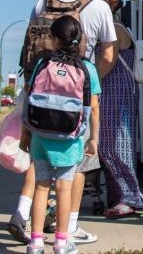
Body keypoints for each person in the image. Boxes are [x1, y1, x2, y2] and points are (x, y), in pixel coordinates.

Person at [8, 0, 116, 245]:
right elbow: (107, 55)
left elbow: (28, 44)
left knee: (40, 171)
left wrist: (25, 130)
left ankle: (29, 226)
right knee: (75, 172)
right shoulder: (99, 6)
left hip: (40, 98)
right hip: (75, 108)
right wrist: (88, 82)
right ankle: (66, 231)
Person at [21, 15, 101, 254]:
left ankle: (35, 243)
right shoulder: (88, 69)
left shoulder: (42, 63)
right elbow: (94, 107)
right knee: (64, 189)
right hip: (70, 140)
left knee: (41, 188)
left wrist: (25, 133)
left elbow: (29, 98)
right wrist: (94, 138)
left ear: (55, 39)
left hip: (40, 136)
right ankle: (60, 242)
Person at [95, 0, 143, 217]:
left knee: (118, 145)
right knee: (107, 146)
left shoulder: (114, 29)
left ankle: (129, 198)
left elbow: (109, 60)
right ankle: (118, 196)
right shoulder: (113, 28)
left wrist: (88, 83)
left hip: (117, 94)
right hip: (112, 93)